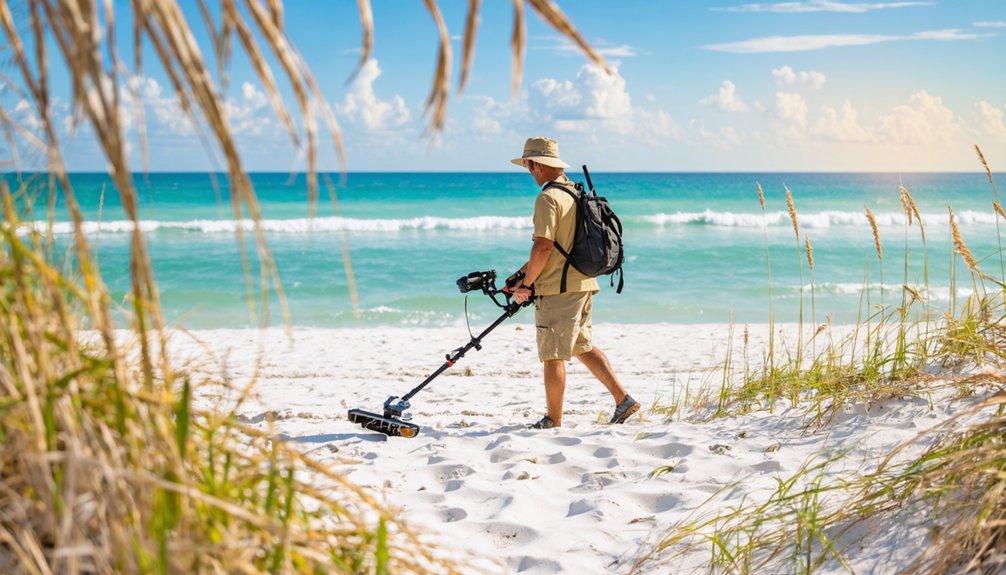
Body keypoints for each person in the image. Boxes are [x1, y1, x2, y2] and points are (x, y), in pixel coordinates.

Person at [506, 136, 639, 429]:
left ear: (537, 165)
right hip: (584, 283)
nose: (529, 172)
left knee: (552, 354)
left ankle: (553, 419)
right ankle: (623, 399)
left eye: (528, 166)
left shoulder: (548, 198)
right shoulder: (575, 193)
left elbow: (544, 246)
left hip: (559, 289)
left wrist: (527, 285)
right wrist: (521, 276)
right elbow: (560, 246)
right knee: (581, 345)